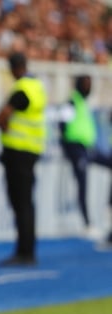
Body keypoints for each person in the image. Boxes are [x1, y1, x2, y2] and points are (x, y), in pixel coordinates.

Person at [0, 52, 47, 267]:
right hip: (32, 149)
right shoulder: (37, 86)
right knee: (27, 204)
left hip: (18, 152)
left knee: (20, 204)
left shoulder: (21, 89)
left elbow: (3, 116)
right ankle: (28, 250)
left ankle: (24, 252)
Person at [58, 74, 97, 236]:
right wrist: (67, 147)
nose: (88, 88)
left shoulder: (82, 103)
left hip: (86, 147)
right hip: (75, 148)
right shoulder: (72, 102)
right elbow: (62, 124)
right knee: (82, 183)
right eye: (85, 84)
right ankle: (86, 223)